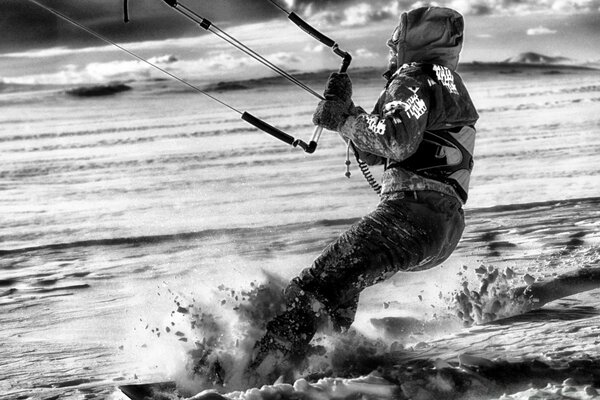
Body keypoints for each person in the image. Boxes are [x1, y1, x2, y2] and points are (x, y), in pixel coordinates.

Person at [248, 6, 479, 379]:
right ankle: (327, 362)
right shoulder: (445, 80)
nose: (391, 44)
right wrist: (348, 113)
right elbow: (377, 149)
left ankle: (252, 371)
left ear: (414, 42)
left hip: (411, 215)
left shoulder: (414, 78)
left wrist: (342, 118)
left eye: (397, 38)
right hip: (442, 226)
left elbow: (395, 140)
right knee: (337, 291)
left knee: (312, 288)